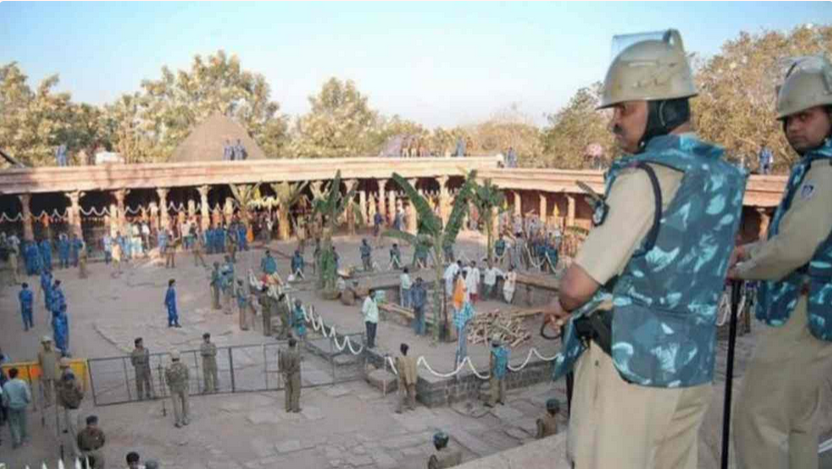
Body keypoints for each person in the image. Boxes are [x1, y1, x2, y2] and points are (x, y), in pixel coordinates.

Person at [544, 30, 745, 469]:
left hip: (632, 373)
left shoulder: (644, 178)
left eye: (626, 108)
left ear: (664, 107)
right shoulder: (722, 176)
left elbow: (576, 287)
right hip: (690, 368)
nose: (615, 121)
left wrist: (564, 302)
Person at [728, 56, 832, 469]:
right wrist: (748, 251)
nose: (794, 127)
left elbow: (792, 250)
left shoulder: (825, 173)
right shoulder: (816, 166)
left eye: (805, 116)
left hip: (799, 316)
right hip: (813, 315)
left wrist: (741, 269)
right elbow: (791, 239)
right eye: (788, 119)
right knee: (800, 423)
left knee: (758, 421)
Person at [2, 368, 31, 448]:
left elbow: (5, 398)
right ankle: (23, 439)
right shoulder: (22, 383)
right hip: (22, 406)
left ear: (9, 375)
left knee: (13, 424)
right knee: (23, 423)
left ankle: (16, 440)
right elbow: (27, 394)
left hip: (11, 407)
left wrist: (5, 405)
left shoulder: (6, 385)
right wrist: (28, 400)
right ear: (17, 374)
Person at [56, 358, 84, 438]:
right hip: (72, 402)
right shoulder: (67, 372)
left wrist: (61, 389)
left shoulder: (68, 374)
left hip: (72, 403)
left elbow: (69, 385)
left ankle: (70, 429)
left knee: (73, 426)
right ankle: (67, 427)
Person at [164, 350, 190, 428]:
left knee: (176, 405)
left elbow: (167, 381)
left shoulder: (168, 368)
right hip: (184, 386)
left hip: (174, 388)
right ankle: (186, 419)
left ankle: (178, 422)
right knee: (185, 402)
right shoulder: (184, 366)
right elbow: (188, 376)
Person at [279, 337, 302, 413]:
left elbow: (280, 363)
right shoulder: (296, 353)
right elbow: (296, 366)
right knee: (295, 391)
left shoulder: (283, 352)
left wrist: (283, 372)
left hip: (286, 373)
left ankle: (288, 407)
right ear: (295, 345)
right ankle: (295, 408)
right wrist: (290, 372)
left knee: (287, 391)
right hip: (294, 374)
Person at [485, 335, 508, 407]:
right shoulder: (503, 350)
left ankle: (492, 402)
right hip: (503, 370)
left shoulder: (493, 352)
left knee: (494, 386)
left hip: (496, 371)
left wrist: (491, 371)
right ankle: (502, 399)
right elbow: (506, 360)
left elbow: (493, 363)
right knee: (502, 385)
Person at [395, 343, 417, 413]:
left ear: (401, 350)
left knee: (401, 393)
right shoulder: (412, 358)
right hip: (410, 377)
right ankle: (412, 406)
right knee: (411, 392)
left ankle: (399, 409)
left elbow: (399, 369)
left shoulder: (399, 359)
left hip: (402, 378)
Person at [38, 336, 60, 406]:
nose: (46, 344)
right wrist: (39, 373)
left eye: (47, 343)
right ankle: (48, 401)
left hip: (55, 371)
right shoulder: (40, 353)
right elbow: (40, 363)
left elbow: (58, 359)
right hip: (45, 372)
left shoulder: (57, 351)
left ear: (50, 343)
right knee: (47, 389)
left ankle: (59, 400)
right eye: (44, 343)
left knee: (57, 387)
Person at [454, 302, 475, 369]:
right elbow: (455, 314)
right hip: (458, 324)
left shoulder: (466, 304)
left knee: (463, 341)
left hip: (463, 324)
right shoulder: (456, 303)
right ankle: (460, 356)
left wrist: (466, 320)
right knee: (460, 340)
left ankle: (463, 357)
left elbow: (472, 313)